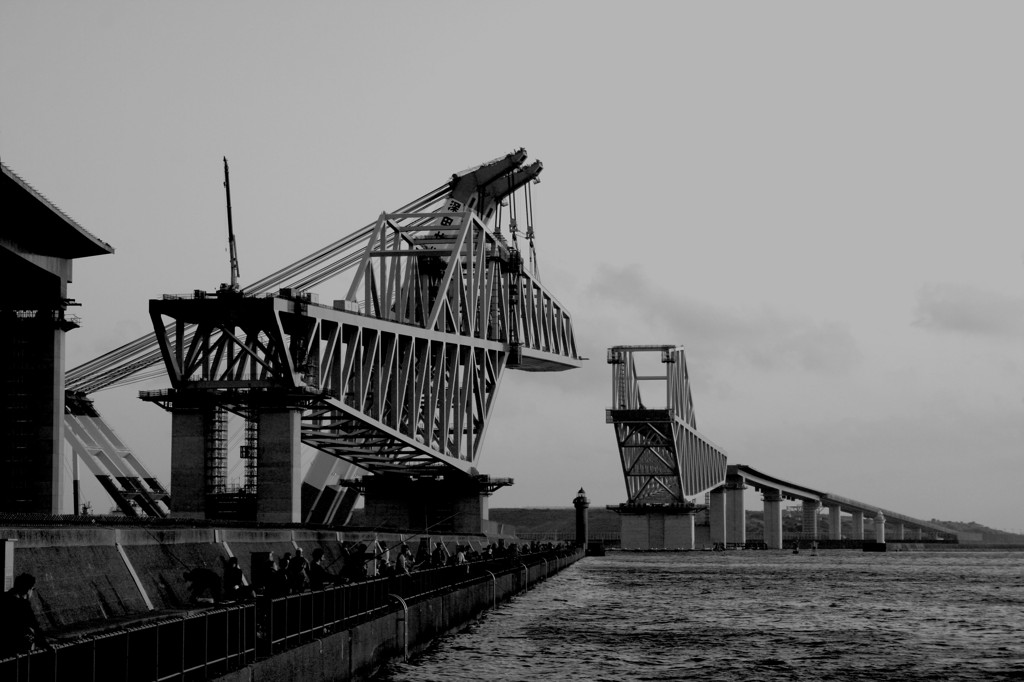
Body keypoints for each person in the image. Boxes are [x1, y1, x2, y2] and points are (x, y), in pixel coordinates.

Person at [0, 573, 46, 656]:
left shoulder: (4, 597)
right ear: (28, 590)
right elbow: (35, 626)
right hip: (15, 647)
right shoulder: (24, 605)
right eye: (32, 589)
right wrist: (46, 646)